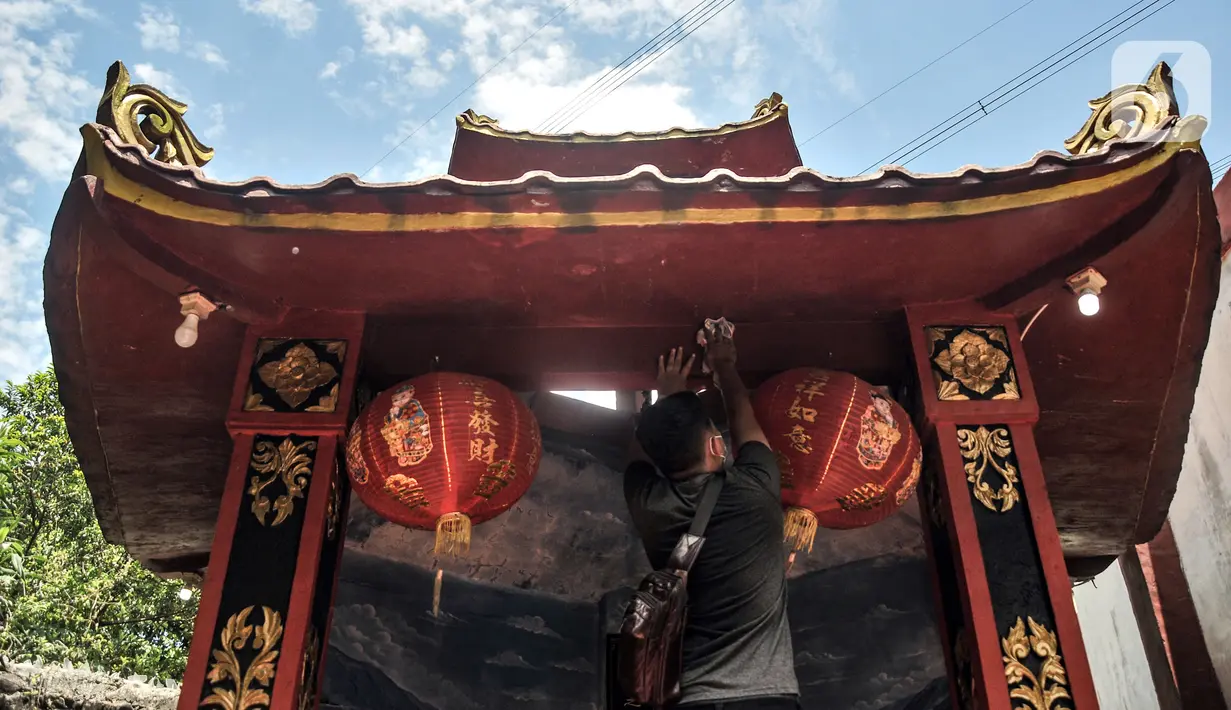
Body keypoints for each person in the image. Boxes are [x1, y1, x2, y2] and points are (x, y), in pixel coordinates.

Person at [624, 330, 800, 709]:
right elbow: (743, 414)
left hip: (690, 699)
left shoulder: (649, 502)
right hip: (764, 698)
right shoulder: (753, 488)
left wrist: (666, 398)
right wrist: (723, 365)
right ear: (716, 446)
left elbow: (640, 452)